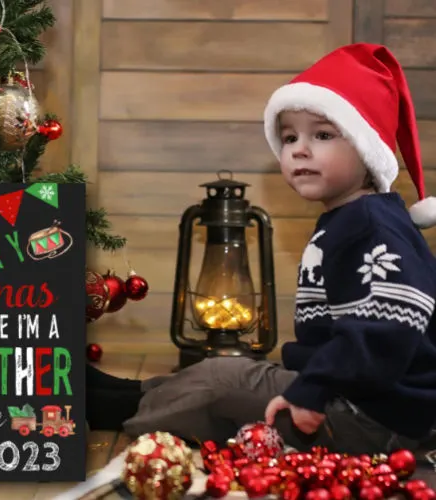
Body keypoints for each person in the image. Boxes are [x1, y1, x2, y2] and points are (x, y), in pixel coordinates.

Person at [85, 43, 436, 455]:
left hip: (378, 418)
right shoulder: (352, 218)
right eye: (290, 138)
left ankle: (113, 409)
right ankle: (123, 391)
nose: (299, 149)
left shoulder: (376, 228)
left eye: (322, 135)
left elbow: (389, 329)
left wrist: (312, 390)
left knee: (221, 388)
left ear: (367, 148)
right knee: (224, 369)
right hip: (346, 391)